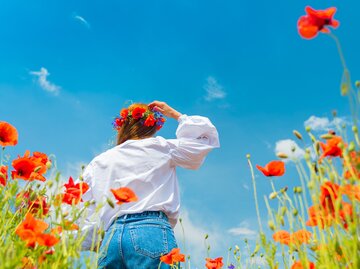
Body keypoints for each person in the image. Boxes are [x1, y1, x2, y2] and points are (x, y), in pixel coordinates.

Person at [80, 101, 220, 269]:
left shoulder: (98, 162)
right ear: (151, 127)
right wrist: (177, 115)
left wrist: (102, 244)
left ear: (122, 126)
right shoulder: (160, 147)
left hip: (111, 237)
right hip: (150, 231)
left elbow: (85, 211)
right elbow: (204, 141)